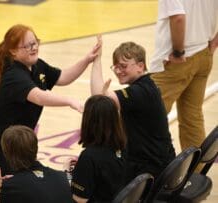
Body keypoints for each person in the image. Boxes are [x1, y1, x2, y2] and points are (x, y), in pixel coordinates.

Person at [0, 24, 100, 202]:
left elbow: (63, 77)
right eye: (28, 46)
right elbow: (38, 97)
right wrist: (70, 101)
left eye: (35, 43)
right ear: (13, 52)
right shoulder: (13, 76)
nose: (34, 48)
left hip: (15, 144)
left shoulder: (37, 66)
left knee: (12, 191)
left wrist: (87, 59)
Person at [91, 39, 175, 185]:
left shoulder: (140, 92)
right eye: (115, 67)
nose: (118, 71)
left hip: (149, 171)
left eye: (123, 66)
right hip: (158, 162)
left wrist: (96, 60)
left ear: (140, 66)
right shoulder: (147, 85)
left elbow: (98, 100)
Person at [150, 0, 218, 156]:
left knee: (146, 117)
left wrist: (178, 51)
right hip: (204, 53)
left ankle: (142, 173)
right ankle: (196, 174)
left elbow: (178, 18)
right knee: (192, 118)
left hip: (177, 60)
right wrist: (214, 42)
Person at [0, 125, 73, 203]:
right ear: (36, 148)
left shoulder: (11, 186)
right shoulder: (63, 177)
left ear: (6, 152)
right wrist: (65, 173)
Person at [68, 95, 127, 203]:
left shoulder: (89, 157)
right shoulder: (124, 148)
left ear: (88, 120)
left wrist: (67, 174)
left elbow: (78, 200)